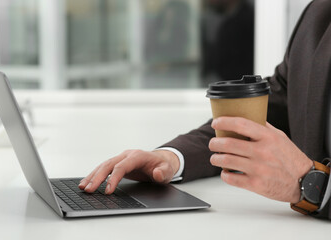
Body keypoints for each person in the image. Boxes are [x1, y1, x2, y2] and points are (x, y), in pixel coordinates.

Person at [79, 0, 331, 219]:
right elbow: (260, 116)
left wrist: (312, 183)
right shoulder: (318, 17)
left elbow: (303, 175)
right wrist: (171, 159)